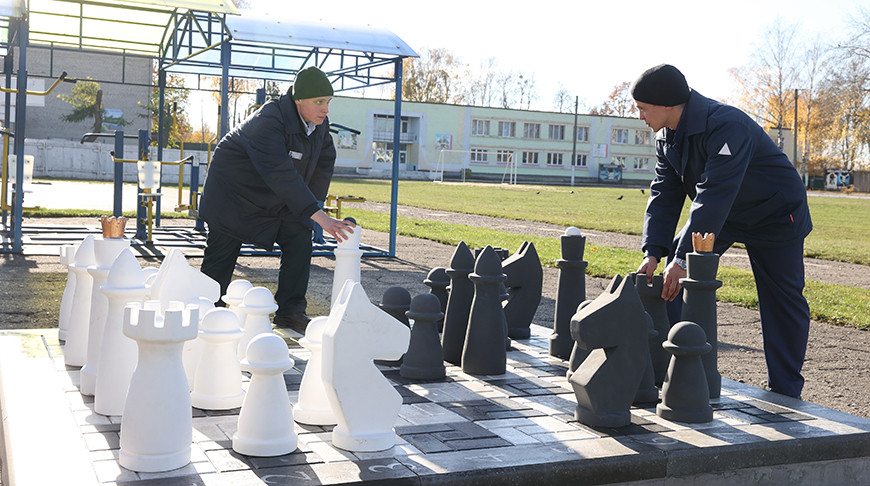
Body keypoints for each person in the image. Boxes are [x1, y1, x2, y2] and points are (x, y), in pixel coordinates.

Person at [631, 64, 813, 398]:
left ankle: (785, 391)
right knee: (670, 281)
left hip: (775, 214)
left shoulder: (726, 124)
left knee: (782, 301)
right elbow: (664, 195)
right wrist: (654, 253)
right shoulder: (666, 137)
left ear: (668, 105)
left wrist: (682, 259)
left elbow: (714, 192)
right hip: (725, 215)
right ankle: (674, 370)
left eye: (643, 107)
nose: (638, 114)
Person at [199, 66, 354, 332]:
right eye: (319, 102)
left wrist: (312, 207)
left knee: (300, 236)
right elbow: (279, 173)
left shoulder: (319, 126)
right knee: (222, 254)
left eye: (328, 102)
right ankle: (206, 311)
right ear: (298, 100)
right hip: (233, 195)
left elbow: (324, 160)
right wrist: (319, 217)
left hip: (272, 196)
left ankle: (290, 312)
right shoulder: (269, 121)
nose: (325, 109)